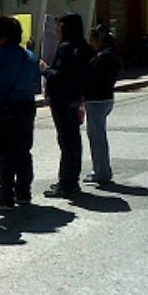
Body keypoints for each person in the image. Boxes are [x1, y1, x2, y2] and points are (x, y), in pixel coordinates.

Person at [0, 16, 40, 211]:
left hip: (3, 109)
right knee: (24, 151)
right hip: (26, 107)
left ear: (3, 37)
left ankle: (5, 197)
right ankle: (24, 192)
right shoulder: (29, 56)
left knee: (6, 155)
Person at [40, 13, 93, 198]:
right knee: (73, 141)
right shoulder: (84, 47)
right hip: (75, 98)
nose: (56, 29)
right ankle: (71, 180)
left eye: (59, 25)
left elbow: (59, 75)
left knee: (66, 141)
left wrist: (45, 69)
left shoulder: (66, 47)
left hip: (62, 100)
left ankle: (66, 183)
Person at [83, 25, 121, 184]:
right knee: (99, 135)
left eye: (93, 40)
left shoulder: (103, 57)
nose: (91, 43)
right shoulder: (112, 55)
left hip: (97, 100)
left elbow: (93, 78)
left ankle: (101, 171)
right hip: (106, 98)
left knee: (97, 137)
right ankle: (103, 168)